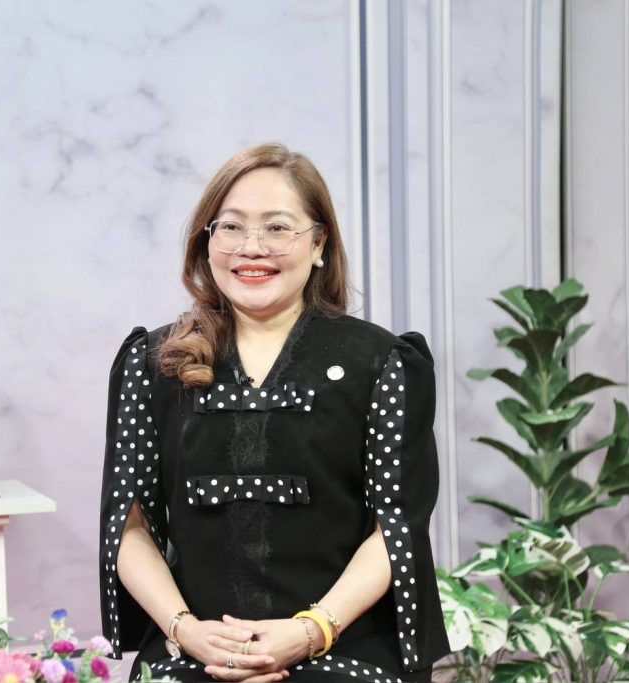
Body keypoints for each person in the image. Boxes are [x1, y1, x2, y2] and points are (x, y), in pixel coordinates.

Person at [99, 143, 450, 683]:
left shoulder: (382, 362)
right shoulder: (153, 363)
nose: (252, 248)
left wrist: (310, 630)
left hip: (343, 642)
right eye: (231, 227)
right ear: (207, 242)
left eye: (277, 228)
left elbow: (397, 528)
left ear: (318, 244)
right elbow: (130, 529)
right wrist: (186, 631)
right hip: (194, 644)